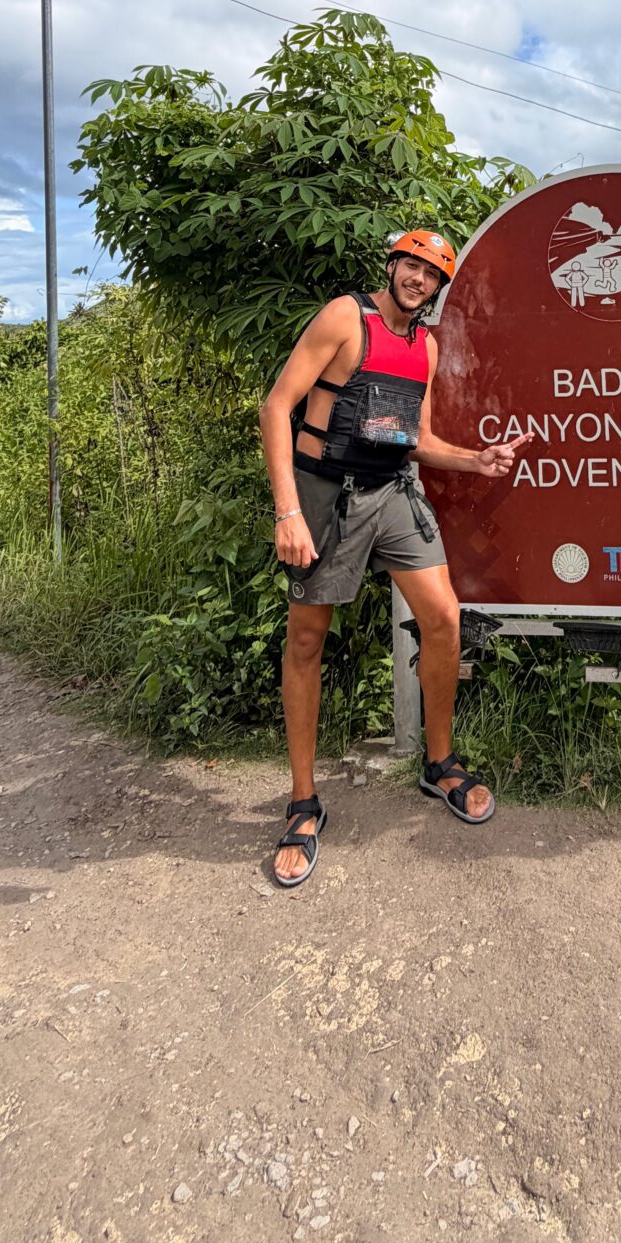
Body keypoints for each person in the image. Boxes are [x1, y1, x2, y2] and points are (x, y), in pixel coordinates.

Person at [258, 229, 529, 888]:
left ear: (438, 287)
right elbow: (276, 407)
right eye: (410, 265)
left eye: (431, 273)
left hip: (393, 493)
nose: (418, 279)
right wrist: (287, 513)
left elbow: (418, 439)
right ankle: (302, 801)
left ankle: (438, 765)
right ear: (392, 266)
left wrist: (475, 460)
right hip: (326, 495)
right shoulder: (345, 317)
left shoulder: (425, 345)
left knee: (444, 617)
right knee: (305, 638)